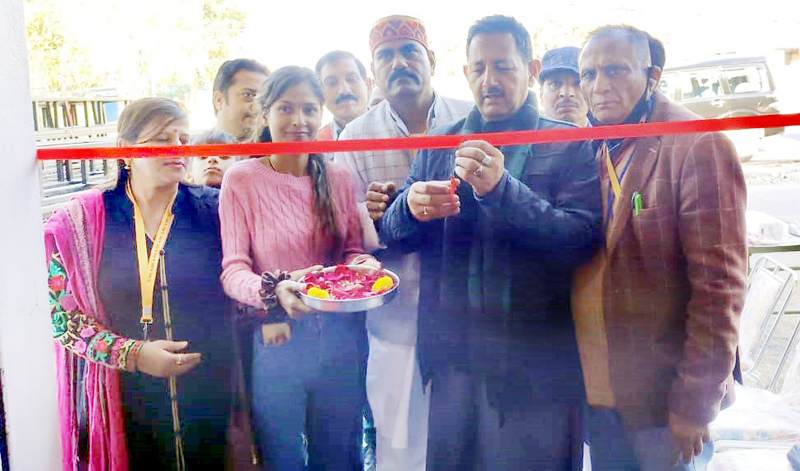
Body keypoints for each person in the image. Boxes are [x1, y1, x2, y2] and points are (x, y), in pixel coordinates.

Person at [379, 15, 601, 470]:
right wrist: (409, 207)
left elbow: (581, 240)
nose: (489, 80)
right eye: (478, 68)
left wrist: (503, 190)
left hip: (537, 364)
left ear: (532, 69)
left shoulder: (569, 143)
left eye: (503, 66)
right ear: (464, 73)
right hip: (455, 358)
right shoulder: (441, 142)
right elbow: (394, 236)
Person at [573, 26, 746, 470]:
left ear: (652, 76)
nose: (599, 86)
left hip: (662, 401)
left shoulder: (697, 145)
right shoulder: (593, 145)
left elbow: (720, 290)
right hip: (600, 394)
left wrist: (693, 405)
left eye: (615, 70)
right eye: (588, 75)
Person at [44, 97, 233, 470]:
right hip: (126, 401)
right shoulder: (82, 223)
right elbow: (60, 319)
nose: (178, 149)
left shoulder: (217, 209)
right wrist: (133, 355)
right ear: (124, 150)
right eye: (162, 139)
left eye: (183, 138)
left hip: (209, 392)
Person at [219, 65, 380, 470]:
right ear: (266, 114)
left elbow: (351, 252)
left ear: (321, 114)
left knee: (342, 455)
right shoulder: (242, 180)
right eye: (286, 109)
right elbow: (233, 269)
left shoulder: (339, 177)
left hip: (342, 342)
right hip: (277, 341)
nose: (299, 121)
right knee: (283, 458)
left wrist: (364, 266)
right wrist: (274, 295)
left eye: (310, 109)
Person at [334, 14, 472, 471]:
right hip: (396, 316)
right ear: (374, 72)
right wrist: (381, 216)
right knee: (400, 440)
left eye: (409, 52)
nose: (399, 64)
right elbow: (350, 237)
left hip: (466, 309)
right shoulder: (354, 138)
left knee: (466, 435)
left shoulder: (469, 117)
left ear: (431, 60)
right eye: (386, 56)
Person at [315, 51, 372, 141]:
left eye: (351, 79)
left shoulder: (395, 131)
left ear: (368, 85)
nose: (344, 90)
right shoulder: (316, 145)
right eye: (332, 83)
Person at [213, 59, 270, 141]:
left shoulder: (278, 152)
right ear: (219, 100)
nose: (257, 107)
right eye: (248, 95)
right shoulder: (194, 150)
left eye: (264, 98)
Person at [539, 46, 589, 127]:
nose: (567, 93)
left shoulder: (611, 137)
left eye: (578, 83)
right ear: (541, 95)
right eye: (555, 84)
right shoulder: (522, 138)